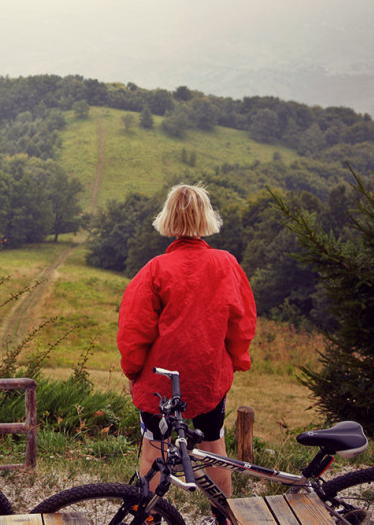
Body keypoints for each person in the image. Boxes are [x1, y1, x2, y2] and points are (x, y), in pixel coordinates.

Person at [117, 183, 256, 524]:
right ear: (206, 218)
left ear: (167, 219)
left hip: (160, 385)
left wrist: (133, 370)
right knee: (214, 449)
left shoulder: (154, 270)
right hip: (209, 379)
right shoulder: (227, 264)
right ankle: (222, 519)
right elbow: (242, 321)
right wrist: (237, 359)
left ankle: (148, 519)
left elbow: (134, 331)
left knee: (154, 450)